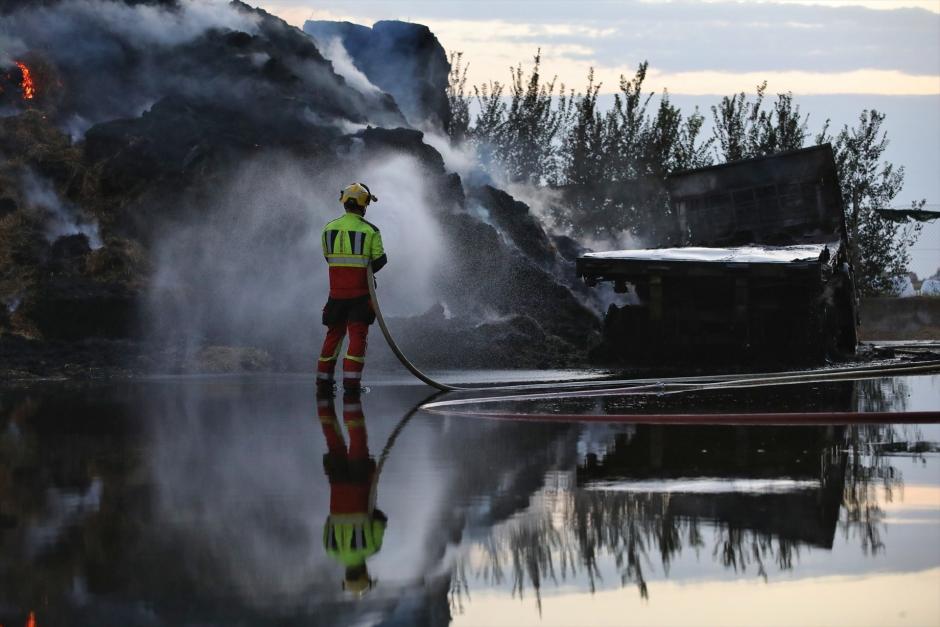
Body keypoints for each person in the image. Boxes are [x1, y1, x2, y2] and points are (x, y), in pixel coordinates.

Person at [317, 183, 387, 396]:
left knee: (333, 336)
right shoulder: (371, 230)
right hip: (360, 296)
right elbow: (381, 260)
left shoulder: (328, 228)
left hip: (336, 294)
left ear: (345, 202)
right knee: (358, 337)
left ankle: (324, 384)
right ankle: (352, 386)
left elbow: (329, 258)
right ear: (363, 205)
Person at [317, 391, 387, 595]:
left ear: (364, 572)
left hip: (360, 482)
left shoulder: (371, 549)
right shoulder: (330, 550)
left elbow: (380, 522)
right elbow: (328, 522)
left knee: (358, 440)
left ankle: (352, 404)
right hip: (337, 484)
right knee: (334, 442)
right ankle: (326, 407)